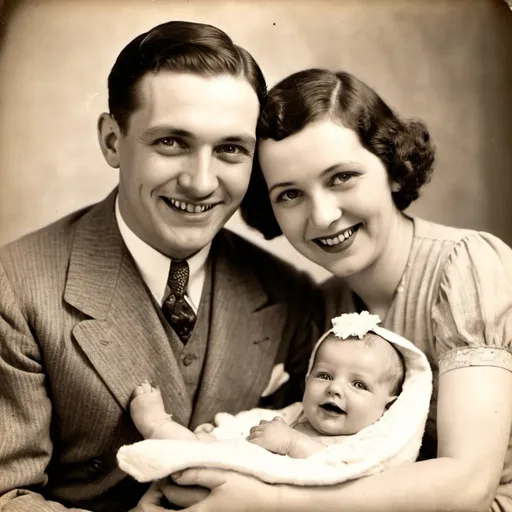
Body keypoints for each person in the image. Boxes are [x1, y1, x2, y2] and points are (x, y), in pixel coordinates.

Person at [0, 23, 324, 512]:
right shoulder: (16, 288)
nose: (200, 182)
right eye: (172, 142)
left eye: (230, 149)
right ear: (113, 141)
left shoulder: (288, 290)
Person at [163, 68, 512, 511]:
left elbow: (470, 484)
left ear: (392, 169)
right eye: (289, 195)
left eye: (341, 177)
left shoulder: (466, 265)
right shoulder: (324, 304)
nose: (324, 216)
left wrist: (270, 501)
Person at [118, 310, 431, 488]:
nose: (335, 389)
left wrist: (292, 444)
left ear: (389, 405)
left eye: (359, 384)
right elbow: (259, 421)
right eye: (324, 375)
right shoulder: (297, 415)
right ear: (307, 379)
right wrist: (225, 432)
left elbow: (337, 469)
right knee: (201, 450)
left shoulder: (370, 443)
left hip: (275, 497)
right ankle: (162, 429)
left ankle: (162, 429)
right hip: (241, 472)